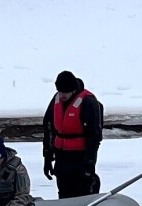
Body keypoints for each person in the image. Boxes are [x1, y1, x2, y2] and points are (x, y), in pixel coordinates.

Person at [42, 70, 103, 198]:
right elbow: (48, 127)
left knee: (82, 189)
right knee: (64, 190)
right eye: (60, 91)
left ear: (73, 90)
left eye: (66, 92)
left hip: (80, 156)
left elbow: (94, 137)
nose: (62, 95)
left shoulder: (88, 102)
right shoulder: (56, 99)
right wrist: (47, 157)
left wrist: (89, 164)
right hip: (61, 155)